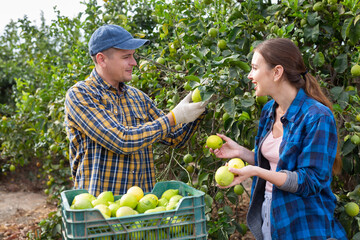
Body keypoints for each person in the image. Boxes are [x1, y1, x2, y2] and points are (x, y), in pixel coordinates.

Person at [211, 38, 347, 239]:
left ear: (277, 72)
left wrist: (256, 171)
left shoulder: (317, 116)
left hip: (302, 220)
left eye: (255, 68)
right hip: (271, 211)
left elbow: (310, 181)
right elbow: (275, 164)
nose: (250, 75)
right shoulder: (269, 110)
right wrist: (243, 153)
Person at [64, 24, 208, 197]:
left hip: (142, 211)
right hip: (99, 211)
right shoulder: (81, 95)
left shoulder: (138, 98)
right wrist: (173, 117)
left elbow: (176, 137)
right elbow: (121, 140)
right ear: (102, 59)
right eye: (126, 57)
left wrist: (200, 105)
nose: (134, 62)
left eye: (133, 56)